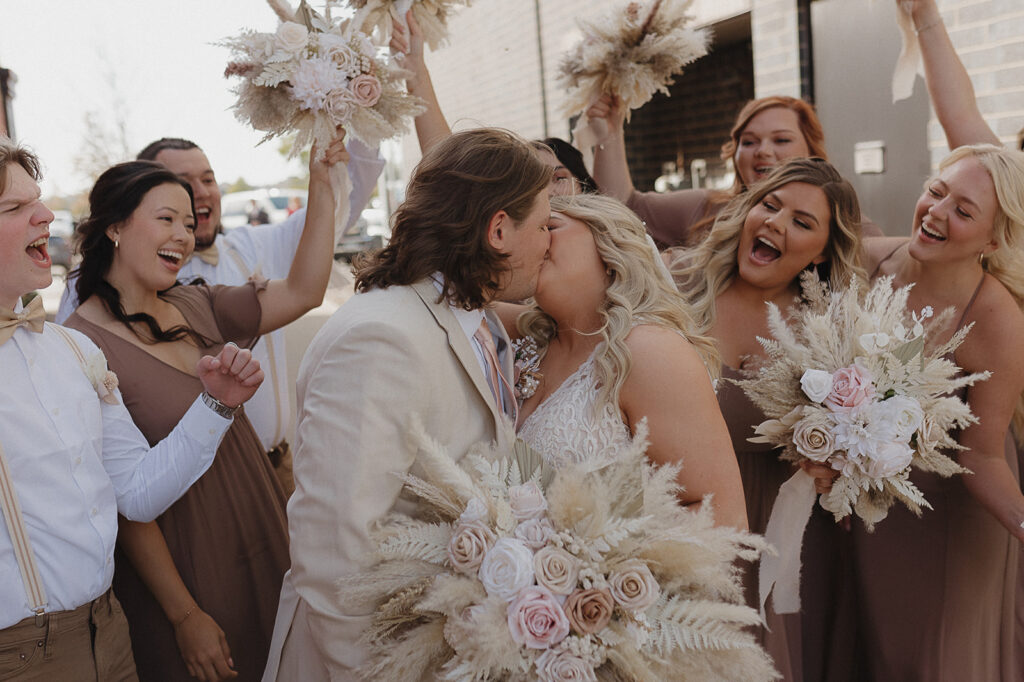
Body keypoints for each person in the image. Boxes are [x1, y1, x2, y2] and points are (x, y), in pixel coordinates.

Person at [262, 127, 550, 681]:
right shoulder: (381, 337)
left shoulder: (481, 320)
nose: (548, 242)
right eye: (542, 225)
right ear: (498, 230)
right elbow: (334, 547)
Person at [63, 133, 349, 682]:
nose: (183, 235)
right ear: (115, 227)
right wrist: (184, 614)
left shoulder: (197, 303)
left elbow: (307, 291)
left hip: (264, 529)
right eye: (166, 219)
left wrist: (321, 182)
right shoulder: (79, 346)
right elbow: (124, 503)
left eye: (189, 225)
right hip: (188, 565)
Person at [0, 138, 264, 680]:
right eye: (15, 208)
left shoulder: (74, 352)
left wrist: (215, 405)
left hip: (110, 631)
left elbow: (138, 495)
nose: (46, 216)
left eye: (39, 201)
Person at [57, 134, 384, 488]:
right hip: (184, 496)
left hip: (269, 471)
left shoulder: (213, 287)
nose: (198, 192)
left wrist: (324, 174)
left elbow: (307, 283)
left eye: (207, 180)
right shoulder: (84, 319)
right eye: (168, 211)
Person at [670, 157, 866, 681]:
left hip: (770, 533)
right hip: (669, 513)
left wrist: (839, 463)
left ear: (823, 251)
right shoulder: (673, 283)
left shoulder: (829, 336)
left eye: (802, 223)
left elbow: (859, 441)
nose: (776, 223)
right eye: (769, 205)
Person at [485, 193, 748, 529]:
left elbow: (725, 514)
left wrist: (587, 563)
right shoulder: (526, 338)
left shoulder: (650, 350)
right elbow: (448, 284)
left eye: (548, 226)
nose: (536, 241)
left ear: (609, 249)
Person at [587, 93, 883, 248]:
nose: (763, 151)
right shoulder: (705, 209)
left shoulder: (847, 225)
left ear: (812, 151)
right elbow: (622, 207)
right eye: (749, 141)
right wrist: (610, 131)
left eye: (781, 140)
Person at [389, 11, 593, 197]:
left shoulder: (605, 232)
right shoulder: (509, 236)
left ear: (582, 185)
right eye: (533, 184)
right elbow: (446, 167)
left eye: (559, 178)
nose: (548, 192)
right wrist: (415, 72)